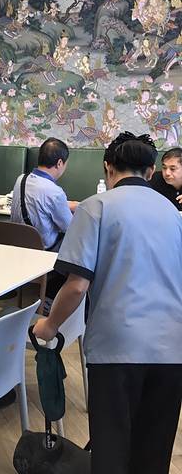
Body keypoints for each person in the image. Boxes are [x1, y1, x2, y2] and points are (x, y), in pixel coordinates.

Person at [33, 132, 182, 474]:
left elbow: (77, 285)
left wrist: (49, 325)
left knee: (111, 447)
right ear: (150, 172)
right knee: (154, 448)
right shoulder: (173, 213)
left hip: (117, 348)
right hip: (172, 347)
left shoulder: (95, 207)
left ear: (108, 168)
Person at [11, 137, 77, 252]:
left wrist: (65, 205)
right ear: (59, 163)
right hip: (44, 251)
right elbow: (70, 228)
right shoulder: (55, 192)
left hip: (18, 246)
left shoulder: (20, 179)